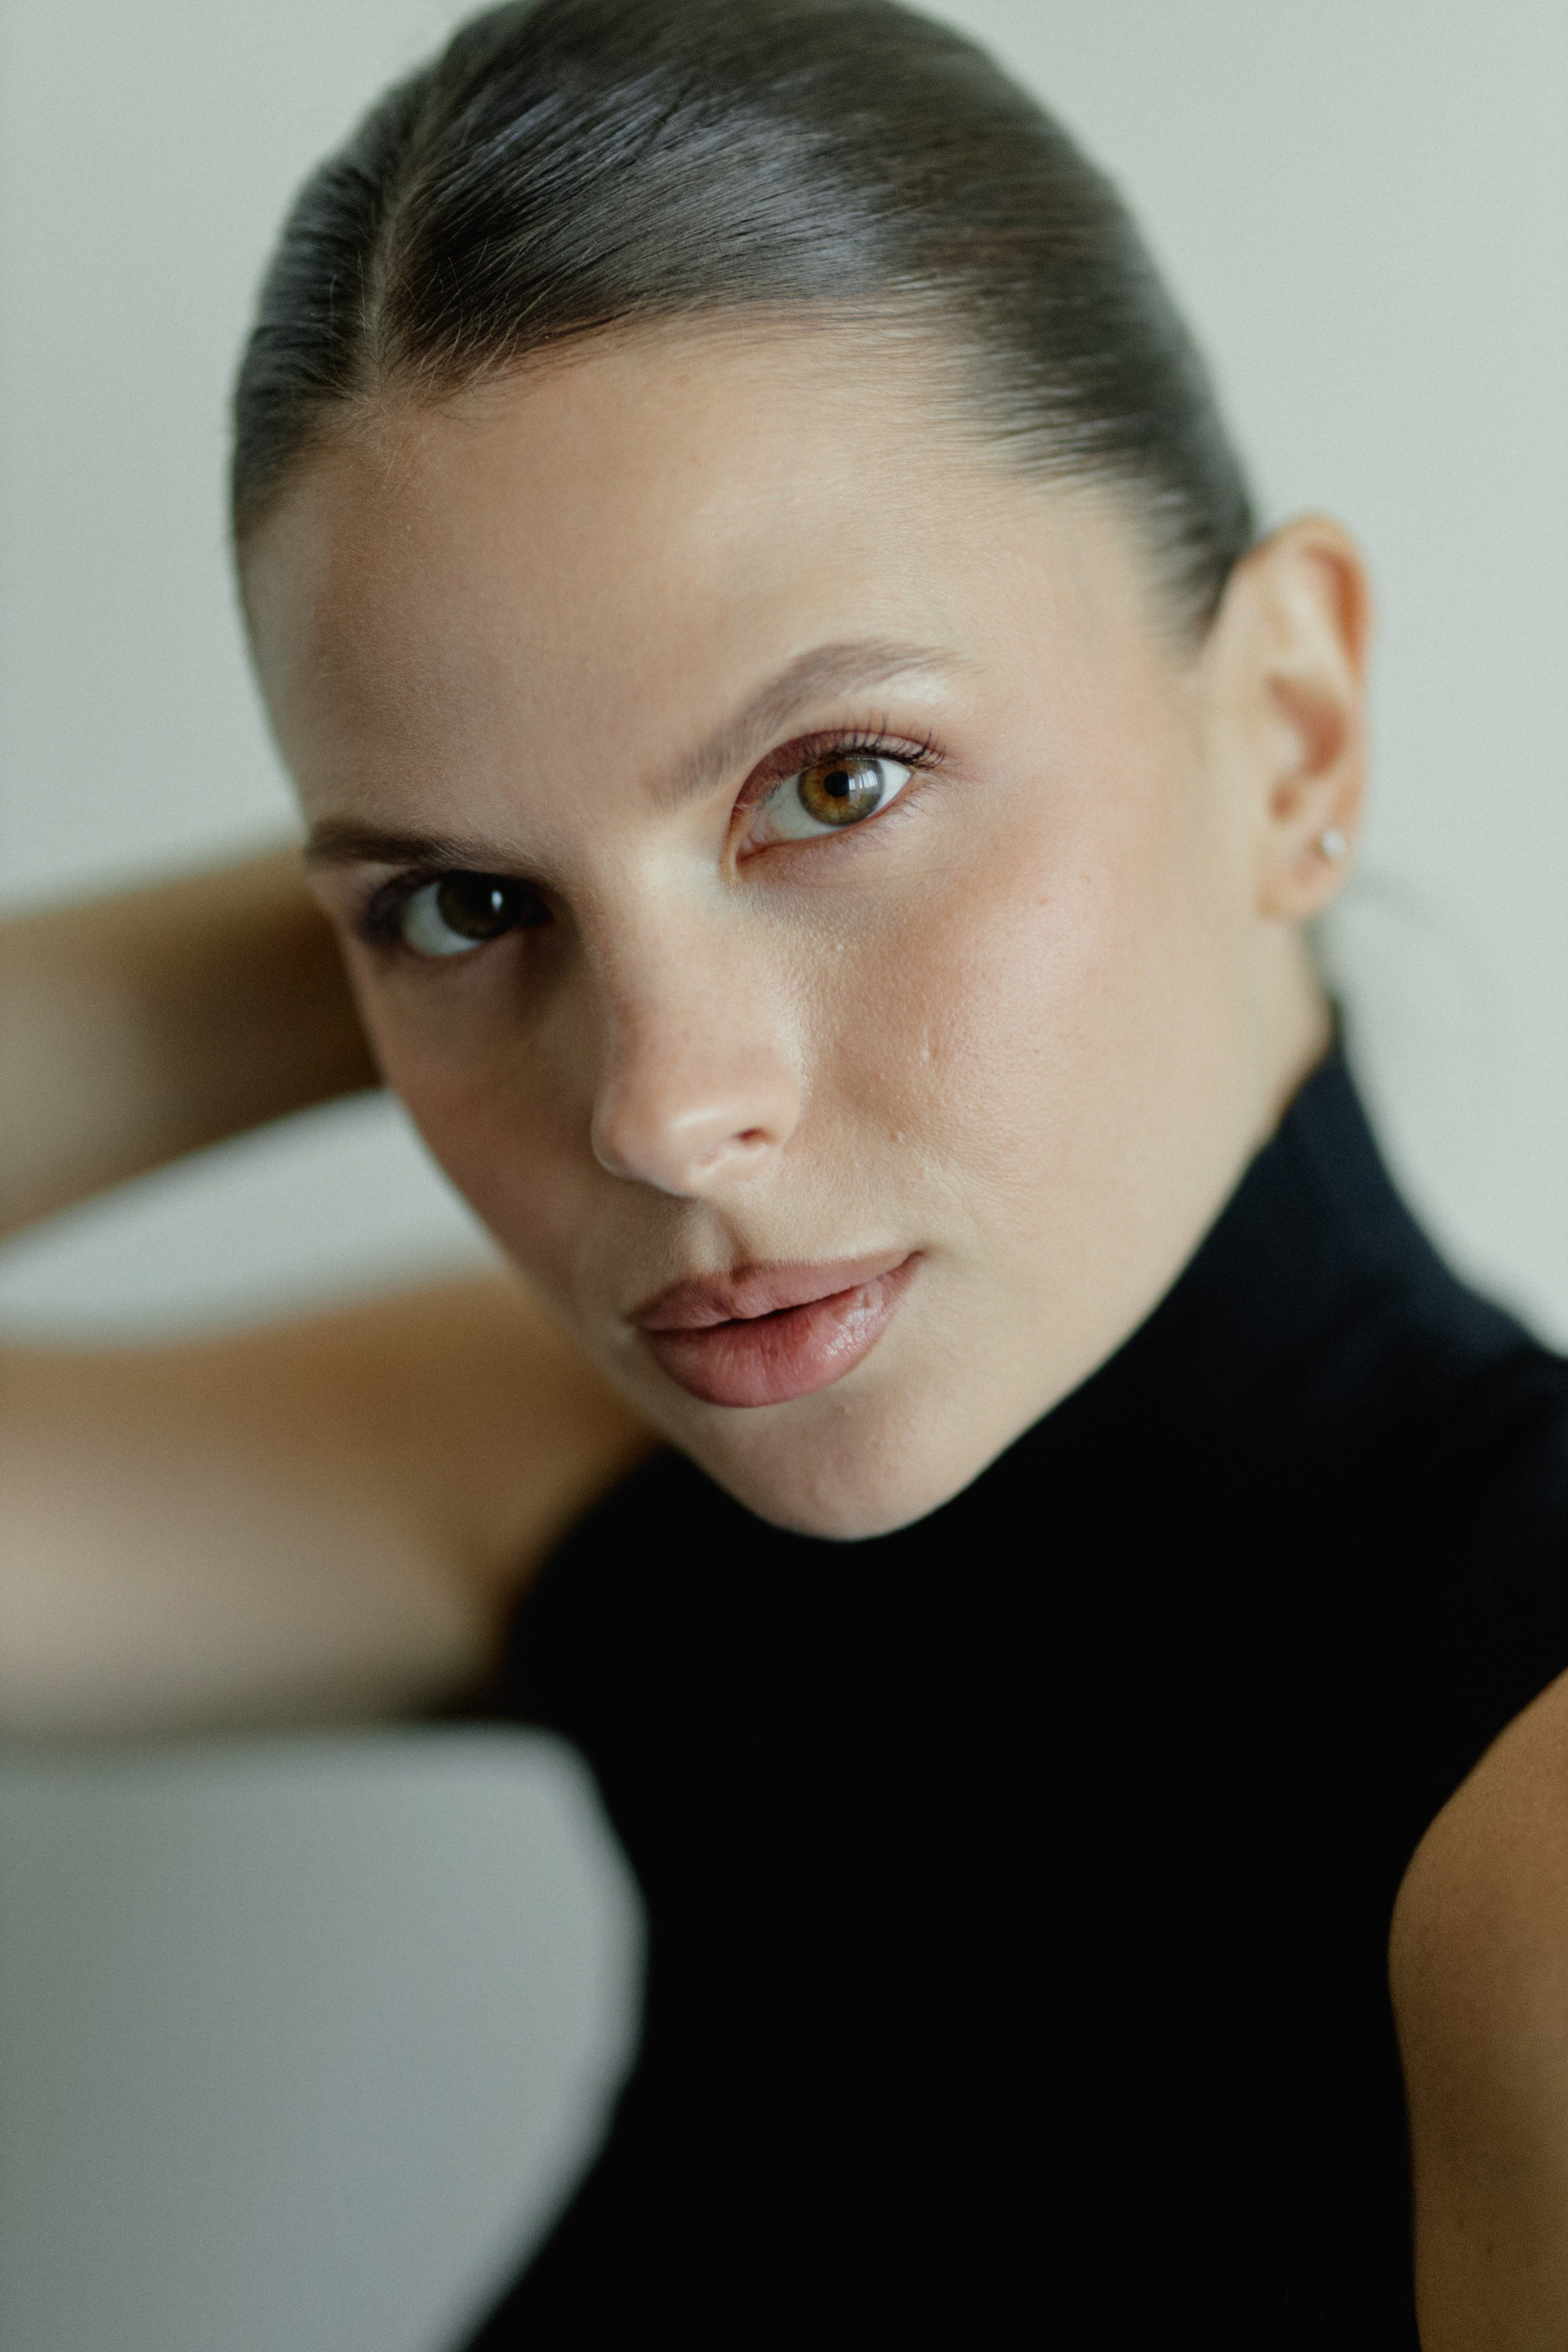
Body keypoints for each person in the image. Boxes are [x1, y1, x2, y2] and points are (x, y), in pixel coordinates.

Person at [3, 0, 1566, 2341]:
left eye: (838, 783)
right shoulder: (618, 1467)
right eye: (469, 908)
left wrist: (508, 848)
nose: (658, 1113)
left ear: (1289, 726)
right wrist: (436, 869)